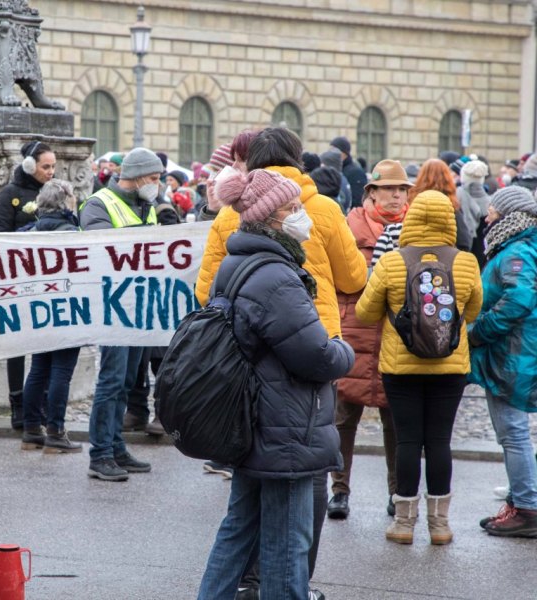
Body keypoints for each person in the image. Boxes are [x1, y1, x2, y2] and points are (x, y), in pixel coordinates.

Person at [195, 127, 366, 599]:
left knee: (240, 524)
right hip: (288, 406)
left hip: (251, 401)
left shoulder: (237, 253)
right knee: (289, 536)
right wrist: (343, 352)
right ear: (272, 217)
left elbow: (206, 294)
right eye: (292, 209)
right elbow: (315, 351)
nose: (301, 215)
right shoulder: (279, 275)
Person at [356, 190, 483, 545]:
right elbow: (473, 311)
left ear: (410, 219)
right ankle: (439, 525)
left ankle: (404, 523)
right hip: (450, 367)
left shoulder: (392, 261)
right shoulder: (466, 262)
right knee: (440, 441)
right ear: (449, 220)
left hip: (401, 369)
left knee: (408, 441)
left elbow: (365, 312)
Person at [327, 160, 411, 521]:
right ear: (371, 192)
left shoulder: (414, 230)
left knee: (396, 421)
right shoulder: (350, 227)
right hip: (356, 332)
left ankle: (396, 492)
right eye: (389, 188)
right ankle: (339, 491)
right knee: (343, 418)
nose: (396, 195)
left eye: (402, 189)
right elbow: (338, 279)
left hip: (396, 336)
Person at [79, 147, 160, 481]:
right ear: (137, 176)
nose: (157, 184)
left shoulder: (146, 205)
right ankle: (100, 454)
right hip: (112, 306)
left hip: (139, 307)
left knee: (127, 381)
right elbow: (103, 250)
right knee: (111, 380)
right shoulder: (99, 204)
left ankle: (115, 446)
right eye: (153, 178)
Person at [469, 186, 537, 538]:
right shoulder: (521, 244)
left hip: (512, 354)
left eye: (493, 210)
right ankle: (520, 500)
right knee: (514, 432)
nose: (487, 216)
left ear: (509, 215)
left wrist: (479, 331)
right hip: (516, 351)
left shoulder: (518, 250)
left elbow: (519, 298)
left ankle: (527, 509)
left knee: (512, 432)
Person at [0, 141, 56, 429]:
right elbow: (0, 235)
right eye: (46, 166)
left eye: (53, 166)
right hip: (18, 277)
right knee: (16, 343)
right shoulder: (10, 193)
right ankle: (17, 404)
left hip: (47, 278)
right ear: (30, 166)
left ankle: (40, 402)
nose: (51, 172)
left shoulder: (52, 191)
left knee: (45, 342)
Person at [20, 179, 83, 454]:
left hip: (38, 309)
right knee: (61, 372)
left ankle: (32, 430)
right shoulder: (72, 233)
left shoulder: (29, 231)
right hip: (66, 308)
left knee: (38, 369)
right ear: (65, 201)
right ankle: (56, 432)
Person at [409, 158, 472, 251]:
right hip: (445, 256)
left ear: (421, 176)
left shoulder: (412, 202)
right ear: (447, 177)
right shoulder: (452, 205)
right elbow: (464, 242)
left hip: (414, 254)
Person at [329, 136, 367, 207]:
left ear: (344, 153)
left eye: (334, 150)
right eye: (330, 150)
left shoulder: (356, 172)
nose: (331, 153)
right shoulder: (335, 170)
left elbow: (358, 199)